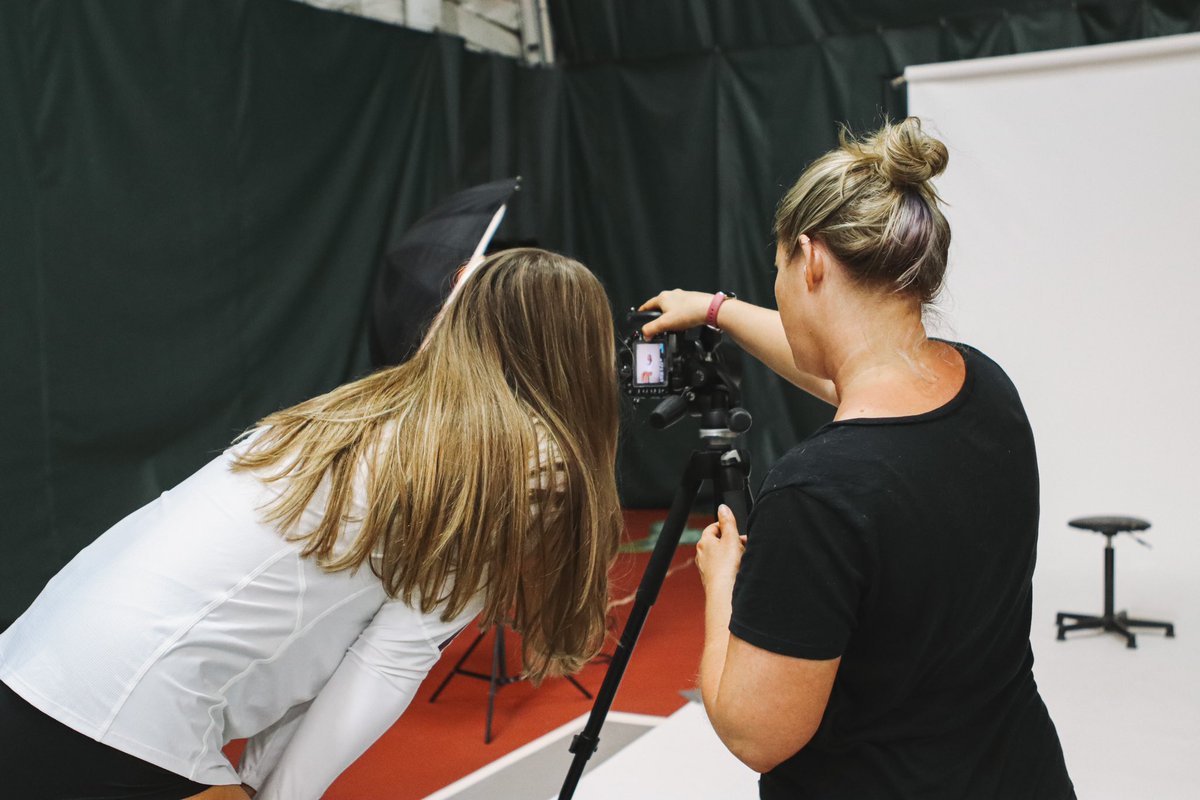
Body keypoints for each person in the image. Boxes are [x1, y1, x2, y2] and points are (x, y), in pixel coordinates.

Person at [0, 248, 623, 800]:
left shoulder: (358, 409)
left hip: (33, 660)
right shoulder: (528, 464)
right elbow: (387, 660)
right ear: (582, 349)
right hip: (124, 712)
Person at [640, 118, 1075, 799]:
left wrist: (724, 580)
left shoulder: (818, 493)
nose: (778, 288)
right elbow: (849, 374)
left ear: (811, 260)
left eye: (777, 268)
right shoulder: (986, 387)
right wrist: (717, 309)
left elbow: (758, 734)